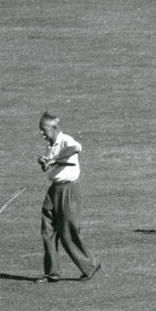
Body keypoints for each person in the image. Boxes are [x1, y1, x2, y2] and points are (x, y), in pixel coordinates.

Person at [35, 112, 101, 282]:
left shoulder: (66, 140)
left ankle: (90, 266)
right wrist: (44, 162)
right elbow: (48, 168)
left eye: (44, 130)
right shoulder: (50, 145)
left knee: (67, 231)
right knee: (47, 229)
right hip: (54, 190)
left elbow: (75, 149)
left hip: (68, 190)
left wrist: (54, 159)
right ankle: (52, 272)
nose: (42, 134)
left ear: (55, 128)